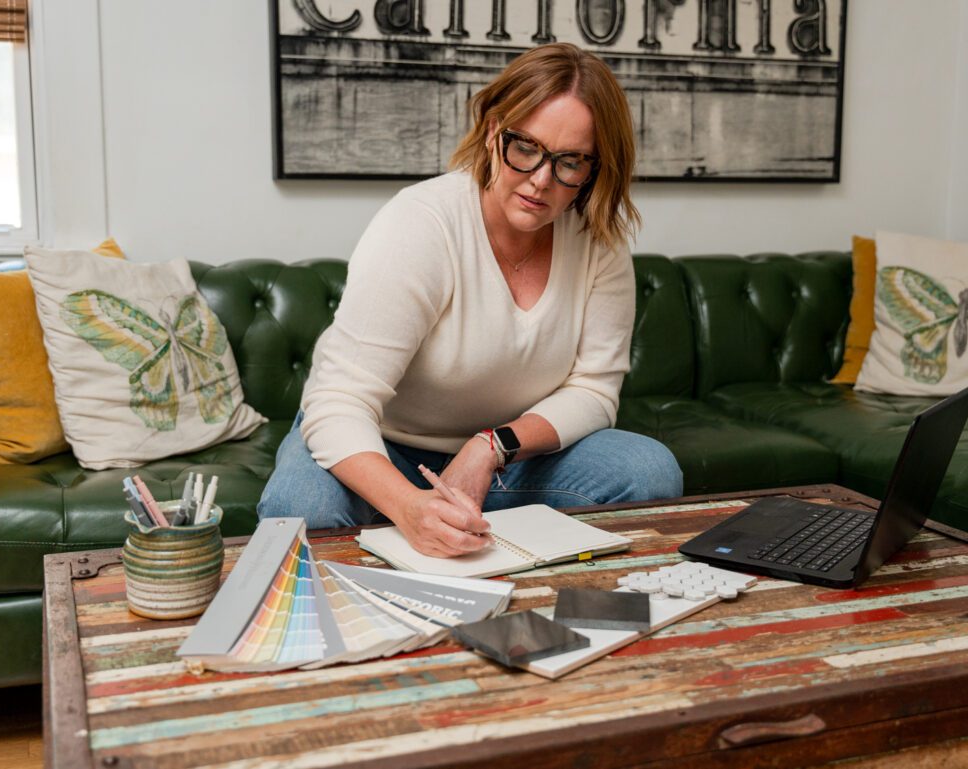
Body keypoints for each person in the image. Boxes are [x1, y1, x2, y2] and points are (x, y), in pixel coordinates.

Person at [258, 42, 683, 556]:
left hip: (506, 460)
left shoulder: (599, 244)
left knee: (648, 471)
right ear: (492, 131)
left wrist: (491, 446)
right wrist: (410, 508)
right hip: (376, 445)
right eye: (524, 147)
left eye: (570, 162)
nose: (541, 180)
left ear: (594, 170)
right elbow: (338, 402)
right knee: (302, 511)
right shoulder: (422, 223)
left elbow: (594, 392)